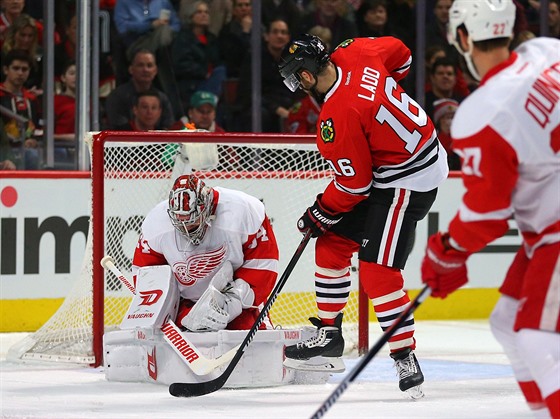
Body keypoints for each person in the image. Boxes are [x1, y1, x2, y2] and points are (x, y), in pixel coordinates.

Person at [278, 34, 448, 398]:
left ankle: (404, 355)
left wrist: (319, 210)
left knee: (377, 272)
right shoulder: (355, 49)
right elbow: (402, 53)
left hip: (409, 180)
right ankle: (330, 335)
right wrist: (383, 94)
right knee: (332, 244)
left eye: (296, 79)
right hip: (399, 164)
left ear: (306, 78)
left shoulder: (336, 116)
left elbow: (355, 185)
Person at [420, 1, 559, 417]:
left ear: (463, 37)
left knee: (537, 340)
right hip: (544, 234)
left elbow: (487, 212)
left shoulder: (482, 113)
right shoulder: (548, 52)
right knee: (506, 322)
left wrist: (446, 250)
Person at [131, 174, 279, 331]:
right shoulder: (156, 225)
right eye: (181, 225)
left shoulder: (243, 210)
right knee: (162, 350)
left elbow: (263, 264)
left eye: (192, 223)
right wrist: (184, 314)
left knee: (259, 348)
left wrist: (229, 304)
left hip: (238, 304)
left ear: (206, 207)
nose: (187, 230)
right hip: (184, 305)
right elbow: (147, 275)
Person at [171, 0, 226, 112]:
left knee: (221, 71)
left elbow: (217, 61)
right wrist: (203, 72)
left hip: (210, 80)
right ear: (191, 16)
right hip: (192, 83)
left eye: (206, 12)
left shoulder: (212, 39)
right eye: (199, 12)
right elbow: (180, 64)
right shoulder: (183, 38)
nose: (204, 15)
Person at [104, 49, 175, 130]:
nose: (145, 70)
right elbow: (117, 126)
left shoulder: (162, 98)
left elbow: (168, 125)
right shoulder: (117, 97)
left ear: (155, 70)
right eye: (140, 65)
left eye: (149, 65)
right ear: (131, 69)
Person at [0, 48, 40, 169]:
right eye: (16, 68)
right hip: (3, 150)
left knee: (33, 154)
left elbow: (35, 127)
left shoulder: (31, 99)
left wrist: (32, 140)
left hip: (24, 150)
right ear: (6, 70)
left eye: (24, 69)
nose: (20, 73)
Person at [424, 56, 467, 122]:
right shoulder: (422, 103)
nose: (445, 76)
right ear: (432, 78)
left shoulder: (463, 104)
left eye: (449, 74)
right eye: (440, 73)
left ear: (455, 78)